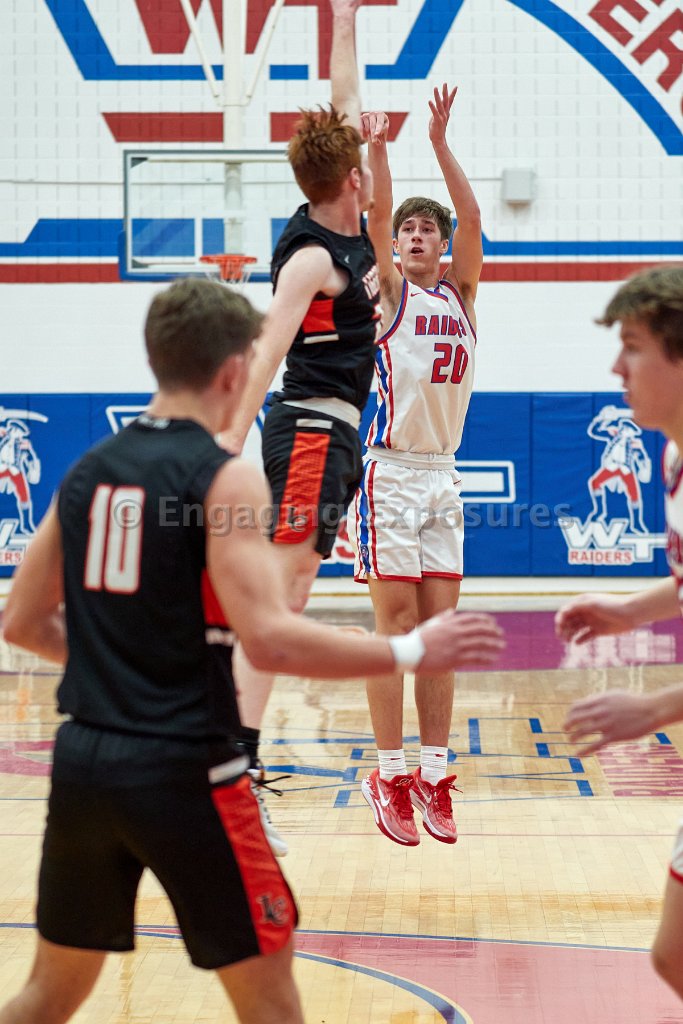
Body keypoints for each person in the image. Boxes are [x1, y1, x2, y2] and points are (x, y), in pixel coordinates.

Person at [0, 277, 504, 1024]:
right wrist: (406, 652)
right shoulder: (223, 475)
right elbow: (268, 638)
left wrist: (121, 667)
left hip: (83, 766)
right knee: (271, 1003)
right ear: (236, 369)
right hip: (186, 766)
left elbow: (19, 621)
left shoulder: (90, 468)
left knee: (47, 995)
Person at [220, 0, 380, 855]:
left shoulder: (346, 219)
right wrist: (221, 441)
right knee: (280, 607)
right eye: (362, 158)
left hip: (332, 433)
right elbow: (268, 342)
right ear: (353, 176)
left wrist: (343, 17)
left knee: (288, 598)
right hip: (311, 428)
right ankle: (234, 777)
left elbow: (344, 93)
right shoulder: (314, 256)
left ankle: (226, 765)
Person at [347, 86, 482, 847]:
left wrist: (439, 143)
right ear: (398, 249)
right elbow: (374, 218)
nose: (420, 234)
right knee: (393, 629)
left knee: (440, 632)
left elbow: (475, 219)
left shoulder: (462, 295)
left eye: (430, 227)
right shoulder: (392, 292)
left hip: (442, 474)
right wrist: (379, 149)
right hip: (391, 473)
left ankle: (433, 775)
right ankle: (388, 773)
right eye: (410, 230)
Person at [556, 265, 683, 1001]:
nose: (615, 367)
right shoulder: (672, 454)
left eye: (632, 346)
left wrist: (654, 708)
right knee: (675, 958)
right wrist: (627, 612)